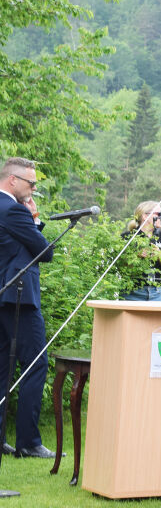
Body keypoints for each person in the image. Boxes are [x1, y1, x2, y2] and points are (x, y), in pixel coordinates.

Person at [0, 157, 56, 458]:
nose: (34, 188)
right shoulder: (14, 211)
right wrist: (34, 216)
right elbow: (45, 251)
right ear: (12, 180)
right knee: (35, 366)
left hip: (2, 297)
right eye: (30, 183)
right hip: (19, 300)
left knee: (1, 371)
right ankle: (29, 442)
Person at [122, 201, 161, 302]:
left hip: (159, 293)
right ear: (144, 216)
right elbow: (121, 265)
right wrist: (136, 256)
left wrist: (159, 254)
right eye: (158, 214)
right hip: (133, 292)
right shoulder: (128, 237)